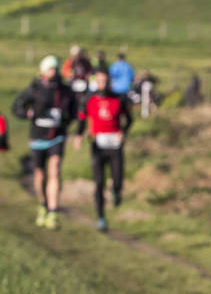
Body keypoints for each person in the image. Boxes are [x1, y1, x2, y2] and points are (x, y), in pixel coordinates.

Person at [13, 55, 78, 229]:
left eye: (55, 68)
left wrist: (65, 120)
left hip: (57, 136)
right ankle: (42, 204)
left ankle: (53, 210)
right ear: (43, 71)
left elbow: (74, 111)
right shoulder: (35, 89)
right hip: (38, 137)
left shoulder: (64, 90)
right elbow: (17, 106)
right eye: (50, 69)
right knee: (39, 175)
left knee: (55, 170)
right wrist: (27, 114)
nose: (53, 71)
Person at [73, 69, 133, 232]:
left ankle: (116, 191)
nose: (102, 84)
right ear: (95, 82)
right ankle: (101, 217)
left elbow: (129, 119)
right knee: (99, 182)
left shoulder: (119, 99)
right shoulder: (89, 99)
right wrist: (78, 135)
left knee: (118, 179)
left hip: (115, 145)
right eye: (99, 81)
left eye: (105, 81)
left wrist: (123, 132)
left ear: (109, 82)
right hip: (98, 145)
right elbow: (82, 118)